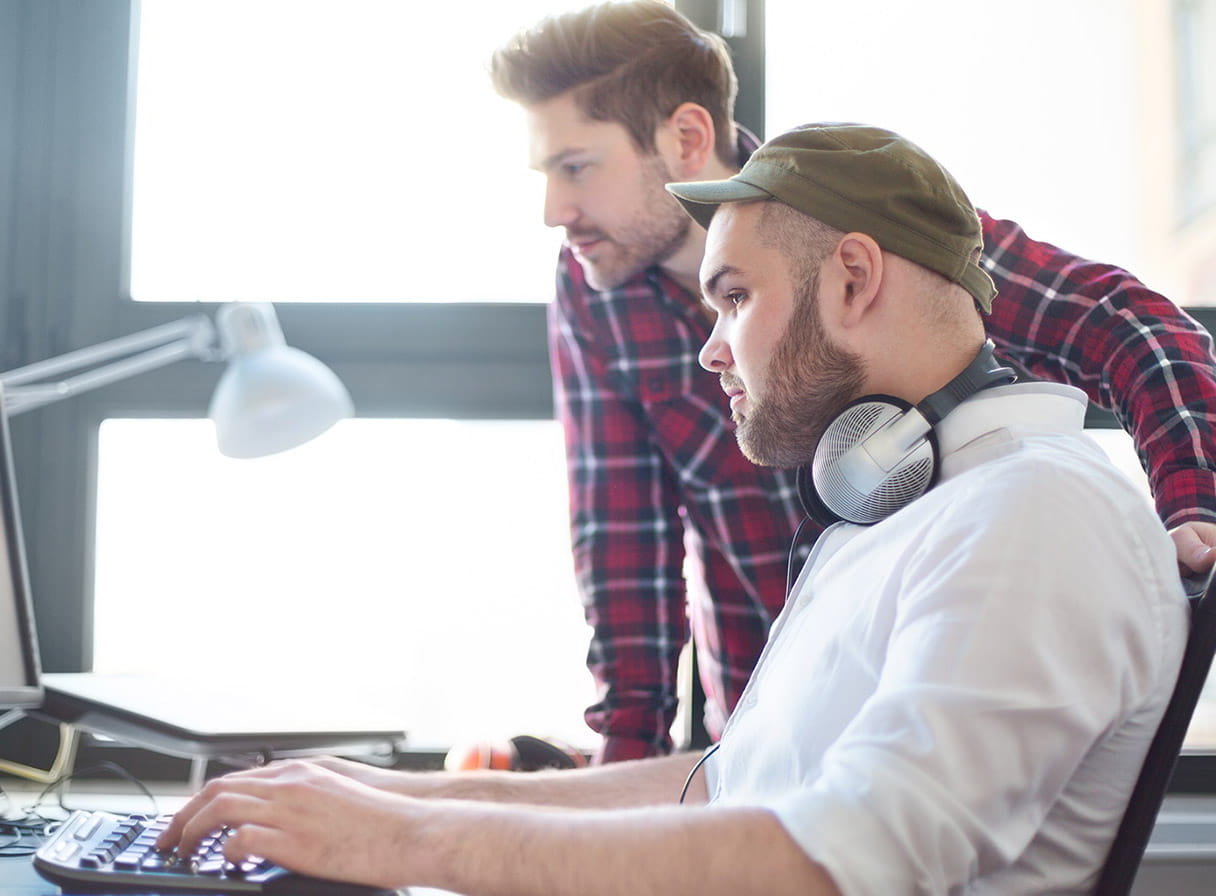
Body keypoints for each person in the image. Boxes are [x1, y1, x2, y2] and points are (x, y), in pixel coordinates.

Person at [158, 124, 1189, 896]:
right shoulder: (901, 511)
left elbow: (831, 878)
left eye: (733, 298)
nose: (709, 352)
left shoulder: (1032, 512)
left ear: (853, 278)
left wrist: (401, 839)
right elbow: (720, 787)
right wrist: (380, 796)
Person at [489, 0, 1216, 762]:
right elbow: (622, 548)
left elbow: (1133, 330)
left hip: (933, 712)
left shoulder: (849, 220)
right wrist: (624, 780)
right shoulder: (591, 290)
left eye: (574, 167)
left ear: (687, 139)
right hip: (759, 734)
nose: (553, 210)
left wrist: (1192, 518)